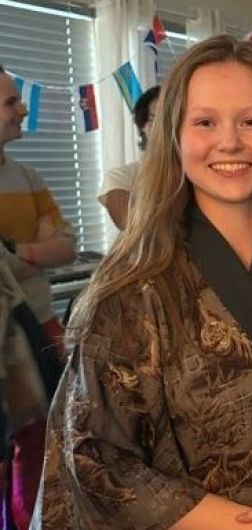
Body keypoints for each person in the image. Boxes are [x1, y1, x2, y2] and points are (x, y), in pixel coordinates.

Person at [32, 35, 252, 530]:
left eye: (250, 122)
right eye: (205, 122)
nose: (229, 142)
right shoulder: (129, 295)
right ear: (174, 138)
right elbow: (97, 457)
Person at [0, 63, 76, 530]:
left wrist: (11, 251)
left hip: (41, 325)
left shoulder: (28, 177)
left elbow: (65, 245)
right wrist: (37, 250)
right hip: (6, 334)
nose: (22, 108)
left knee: (44, 443)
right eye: (10, 102)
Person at [98, 85, 160, 230]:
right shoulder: (121, 177)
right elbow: (133, 227)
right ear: (142, 126)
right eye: (156, 119)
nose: (166, 127)